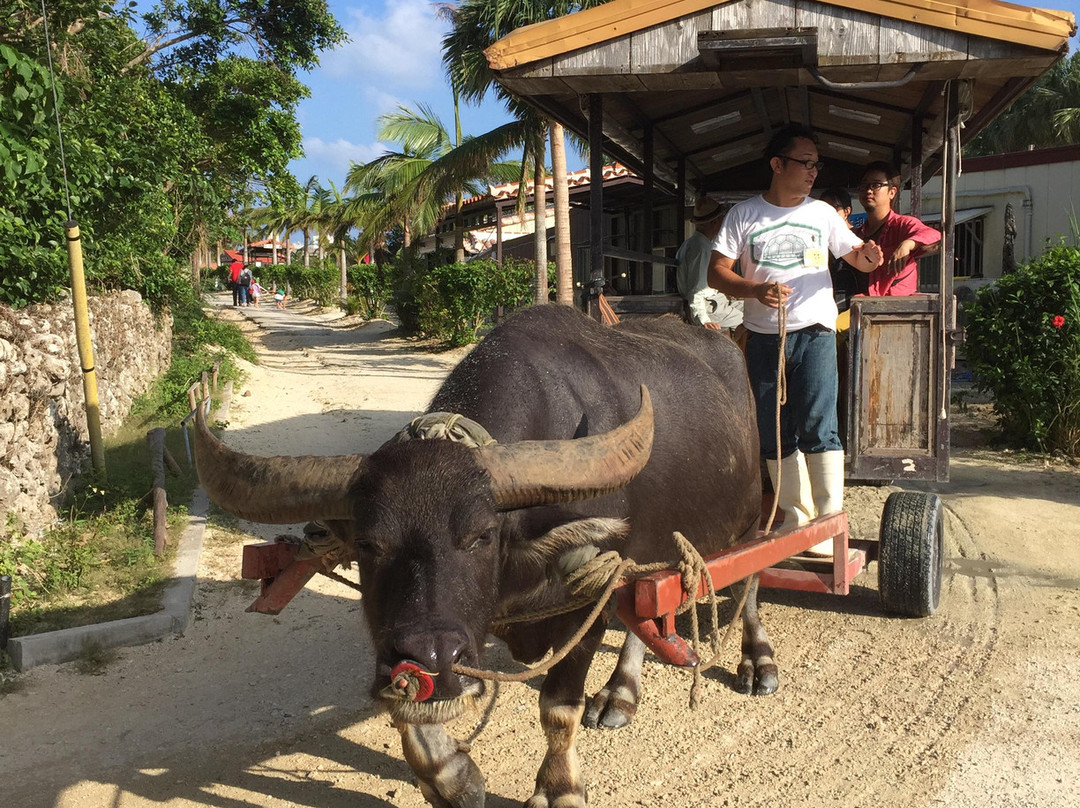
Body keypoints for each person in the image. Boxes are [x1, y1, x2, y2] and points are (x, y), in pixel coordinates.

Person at [707, 124, 883, 555]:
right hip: (766, 339)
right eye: (805, 162)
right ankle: (794, 518)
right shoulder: (743, 215)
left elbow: (855, 255)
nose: (812, 171)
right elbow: (716, 272)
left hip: (817, 333)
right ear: (777, 164)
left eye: (815, 164)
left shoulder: (822, 213)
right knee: (774, 430)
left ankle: (827, 523)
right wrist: (753, 290)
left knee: (821, 424)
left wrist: (869, 257)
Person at [854, 161, 941, 297]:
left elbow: (935, 237)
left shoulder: (902, 224)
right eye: (864, 185)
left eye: (876, 185)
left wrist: (907, 244)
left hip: (898, 310)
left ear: (892, 192)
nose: (868, 190)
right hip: (861, 307)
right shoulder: (857, 234)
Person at [676, 198, 743, 336]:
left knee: (751, 309)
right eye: (721, 219)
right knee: (749, 320)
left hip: (715, 302)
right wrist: (703, 320)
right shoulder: (701, 249)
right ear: (715, 222)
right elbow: (696, 290)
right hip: (709, 307)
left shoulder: (693, 244)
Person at [819, 187, 867, 310]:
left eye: (833, 208)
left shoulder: (859, 237)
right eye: (822, 209)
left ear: (847, 211)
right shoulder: (819, 239)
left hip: (854, 304)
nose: (827, 214)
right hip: (825, 302)